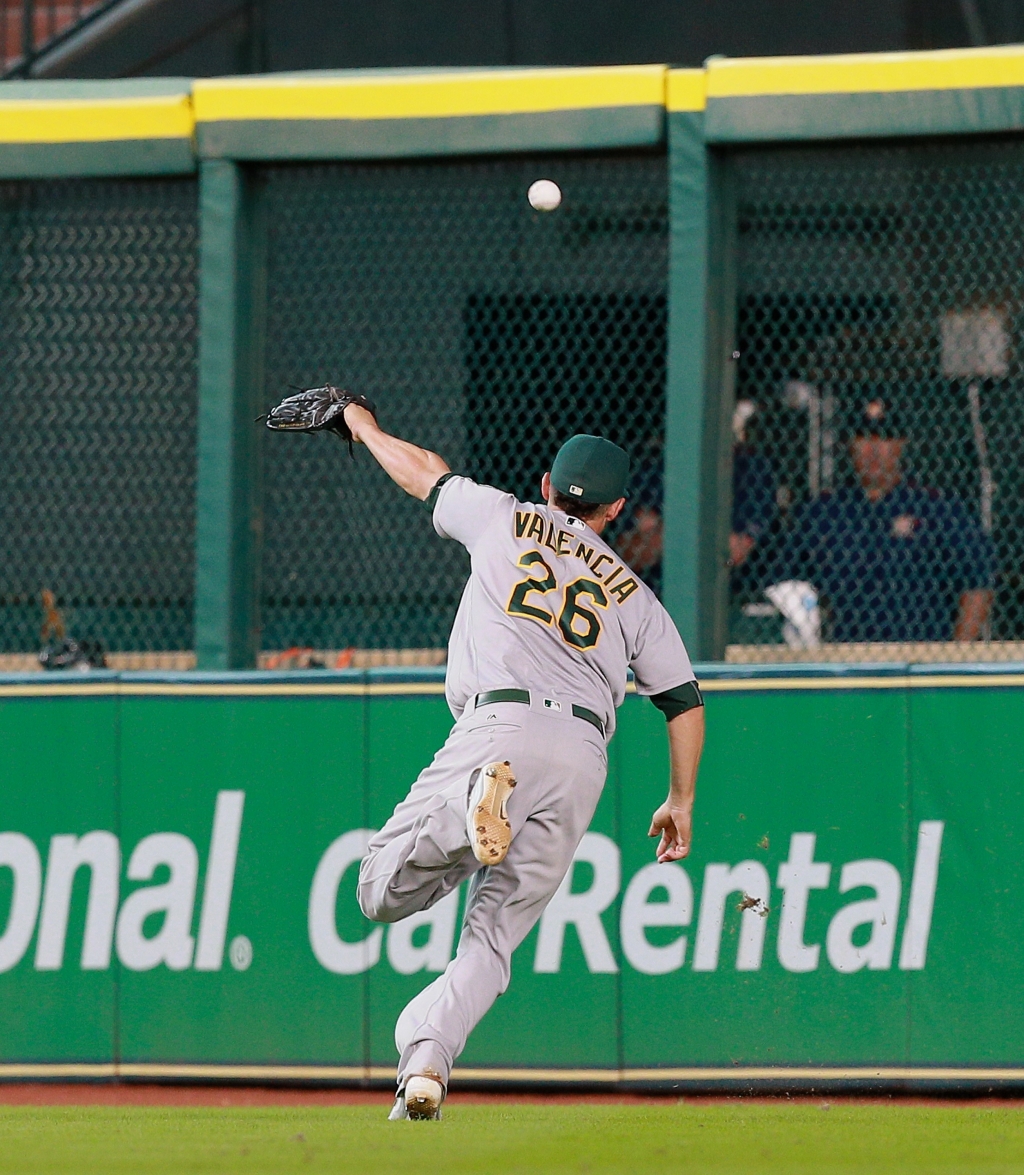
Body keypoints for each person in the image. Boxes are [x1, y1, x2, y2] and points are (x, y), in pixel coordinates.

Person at [342, 404, 704, 1121]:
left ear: (547, 483)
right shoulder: (633, 592)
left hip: (499, 728)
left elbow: (424, 473)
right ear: (617, 509)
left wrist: (362, 424)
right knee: (494, 939)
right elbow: (684, 701)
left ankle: (467, 814)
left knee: (376, 889)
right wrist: (679, 798)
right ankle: (426, 1063)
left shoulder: (503, 516)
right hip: (580, 758)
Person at [773, 398, 995, 643]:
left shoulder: (934, 508)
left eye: (885, 439)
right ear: (850, 445)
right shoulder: (824, 511)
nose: (874, 450)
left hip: (918, 656)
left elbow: (978, 582)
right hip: (843, 658)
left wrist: (956, 656)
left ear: (901, 444)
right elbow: (786, 583)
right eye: (865, 439)